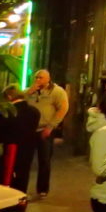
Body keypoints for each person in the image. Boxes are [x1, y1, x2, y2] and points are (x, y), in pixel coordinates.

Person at [25, 68, 69, 197]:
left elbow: (63, 108)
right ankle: (21, 187)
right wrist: (29, 92)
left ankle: (42, 189)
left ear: (48, 79)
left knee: (44, 160)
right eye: (36, 78)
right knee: (25, 160)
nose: (38, 80)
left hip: (45, 130)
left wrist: (51, 126)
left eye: (41, 78)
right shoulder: (30, 91)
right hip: (29, 130)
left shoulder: (57, 91)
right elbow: (20, 101)